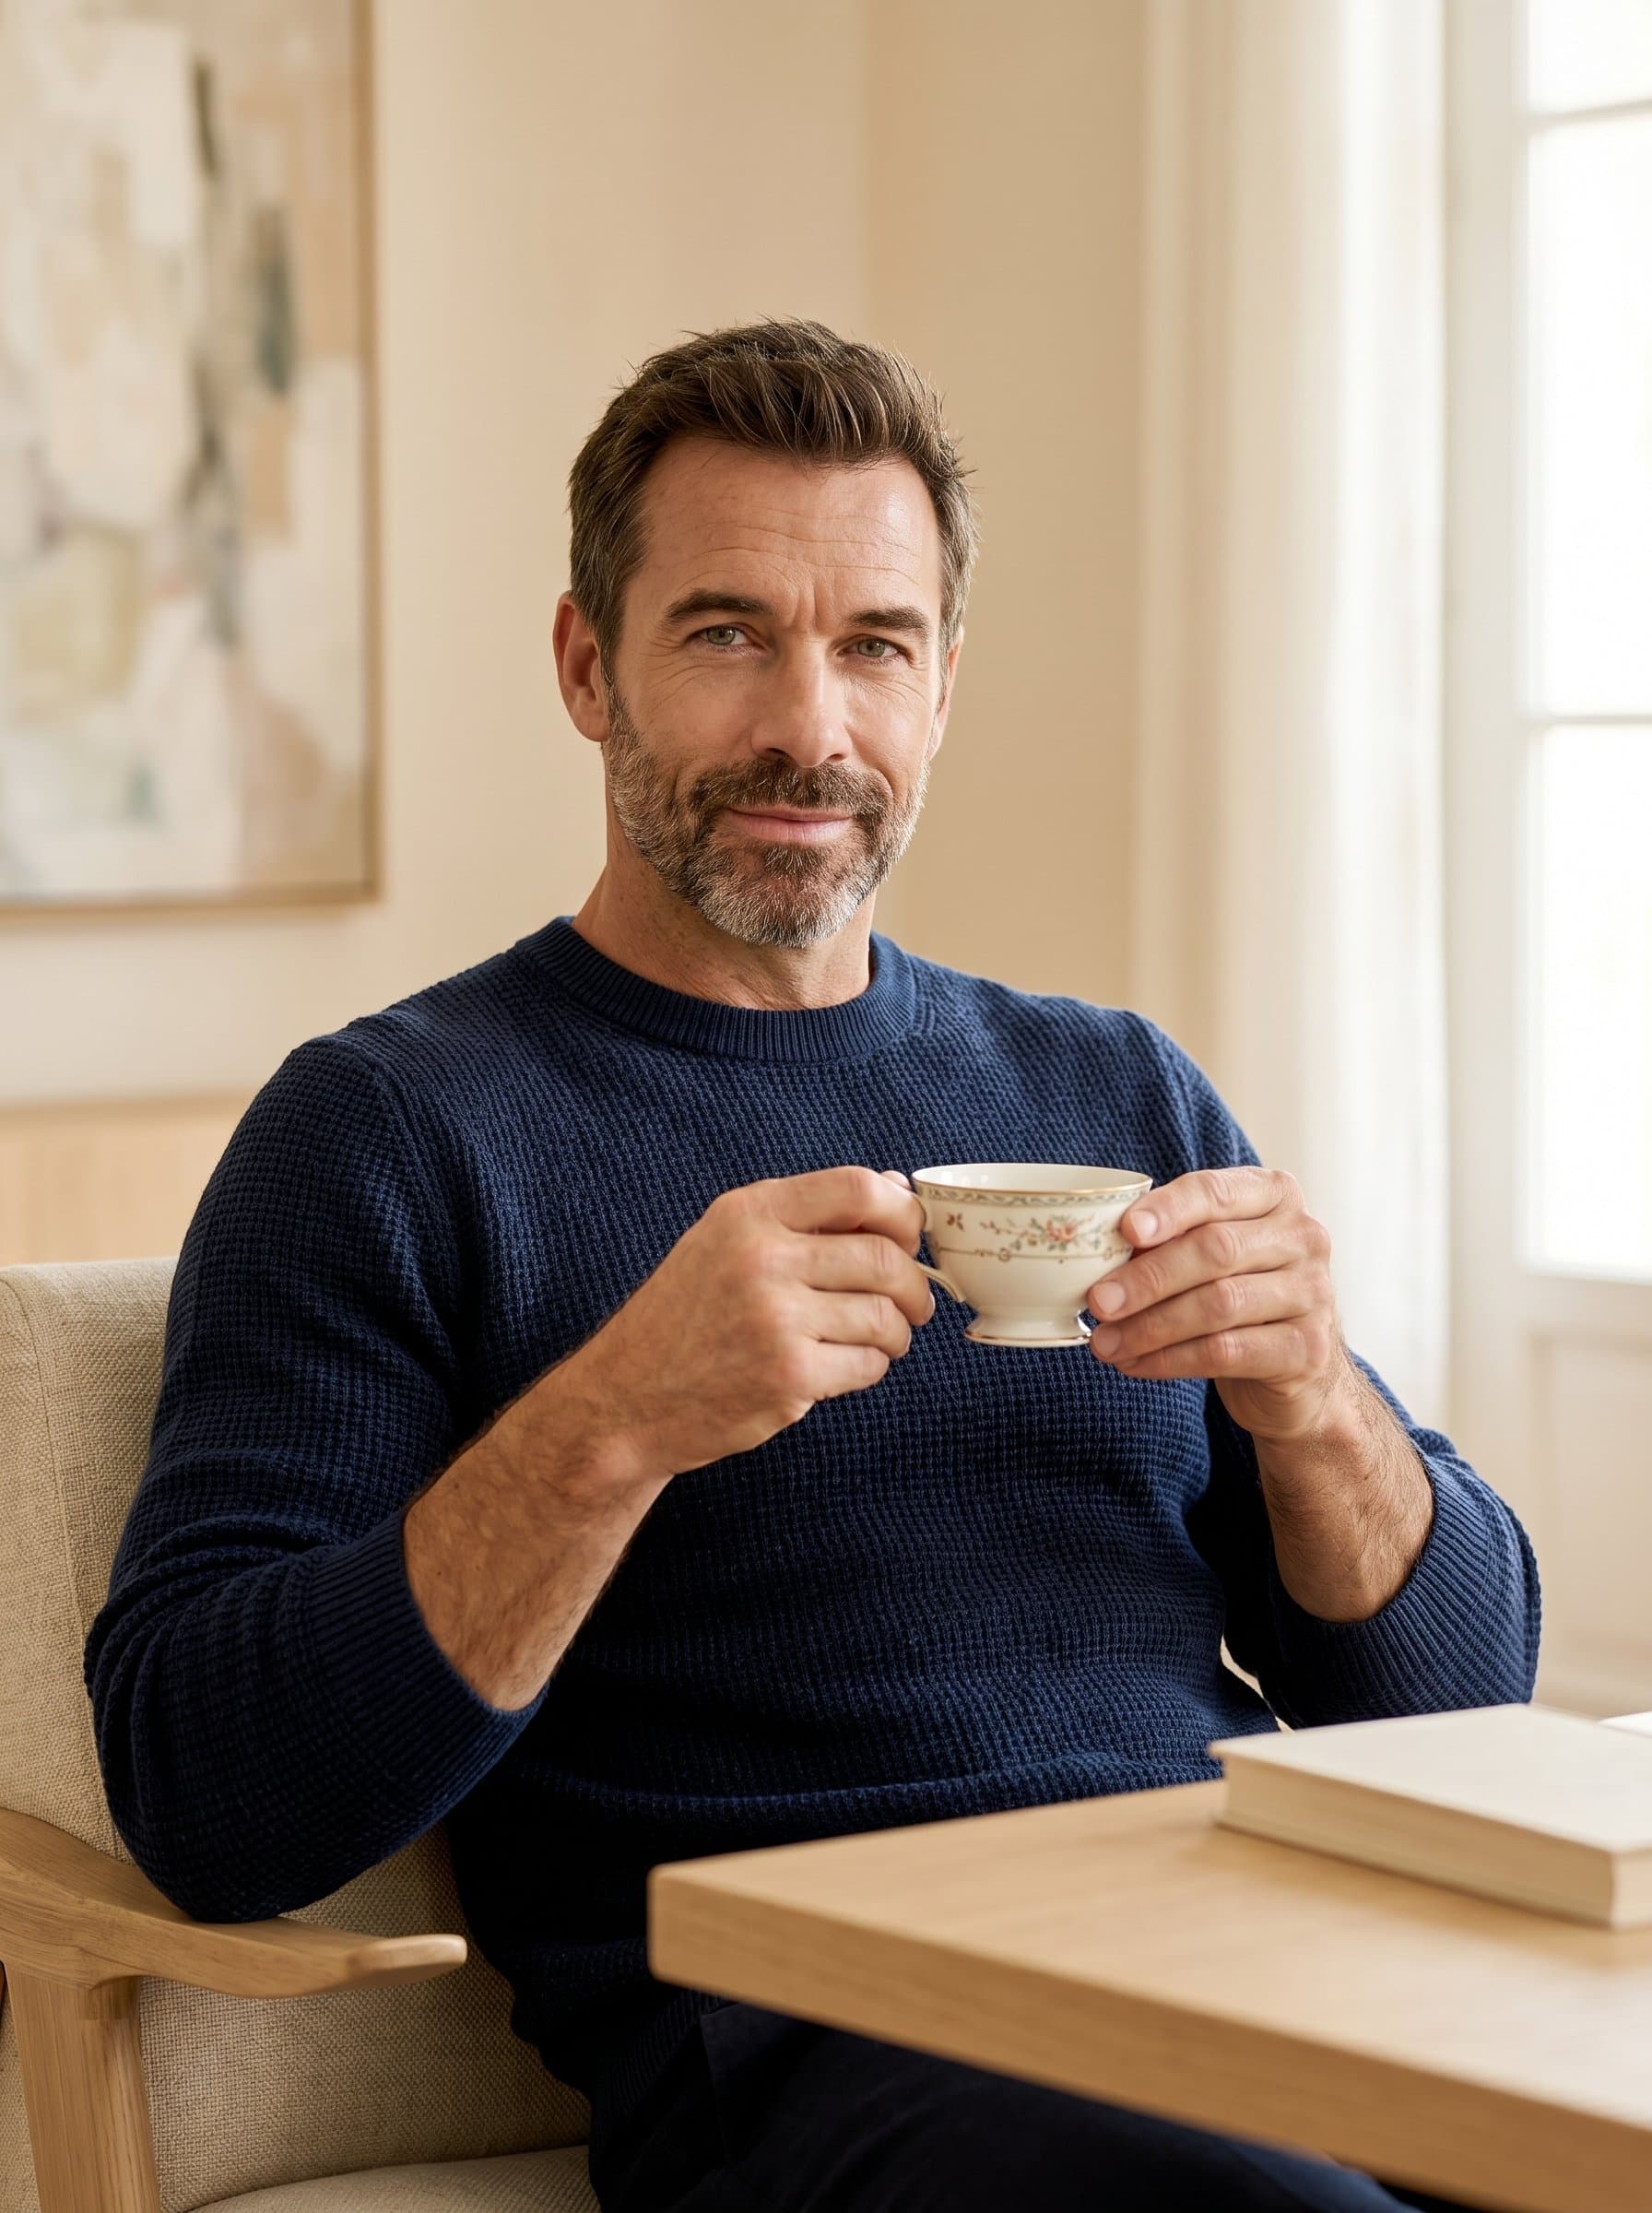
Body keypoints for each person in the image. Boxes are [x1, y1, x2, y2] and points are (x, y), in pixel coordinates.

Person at [87, 318, 1538, 2212]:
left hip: (1251, 1969)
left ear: (941, 688)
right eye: (724, 635)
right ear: (585, 667)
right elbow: (214, 1796)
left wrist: (1311, 1404)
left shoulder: (1107, 1085)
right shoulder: (381, 1133)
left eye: (873, 645)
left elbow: (1462, 1713)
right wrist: (613, 1423)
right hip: (820, 2056)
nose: (809, 728)